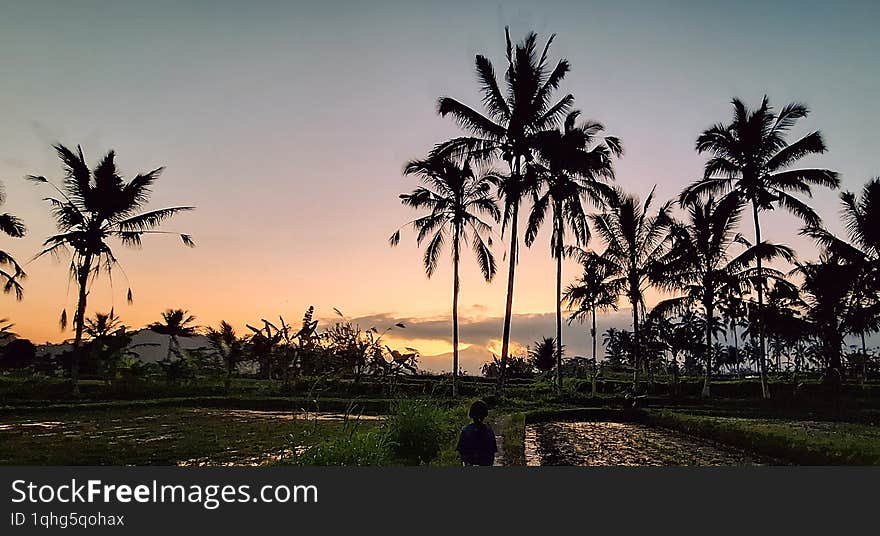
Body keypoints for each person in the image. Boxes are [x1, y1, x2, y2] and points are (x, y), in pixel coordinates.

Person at [456, 400, 497, 466]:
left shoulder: (466, 431)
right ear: (485, 415)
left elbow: (461, 453)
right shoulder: (489, 431)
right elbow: (492, 453)